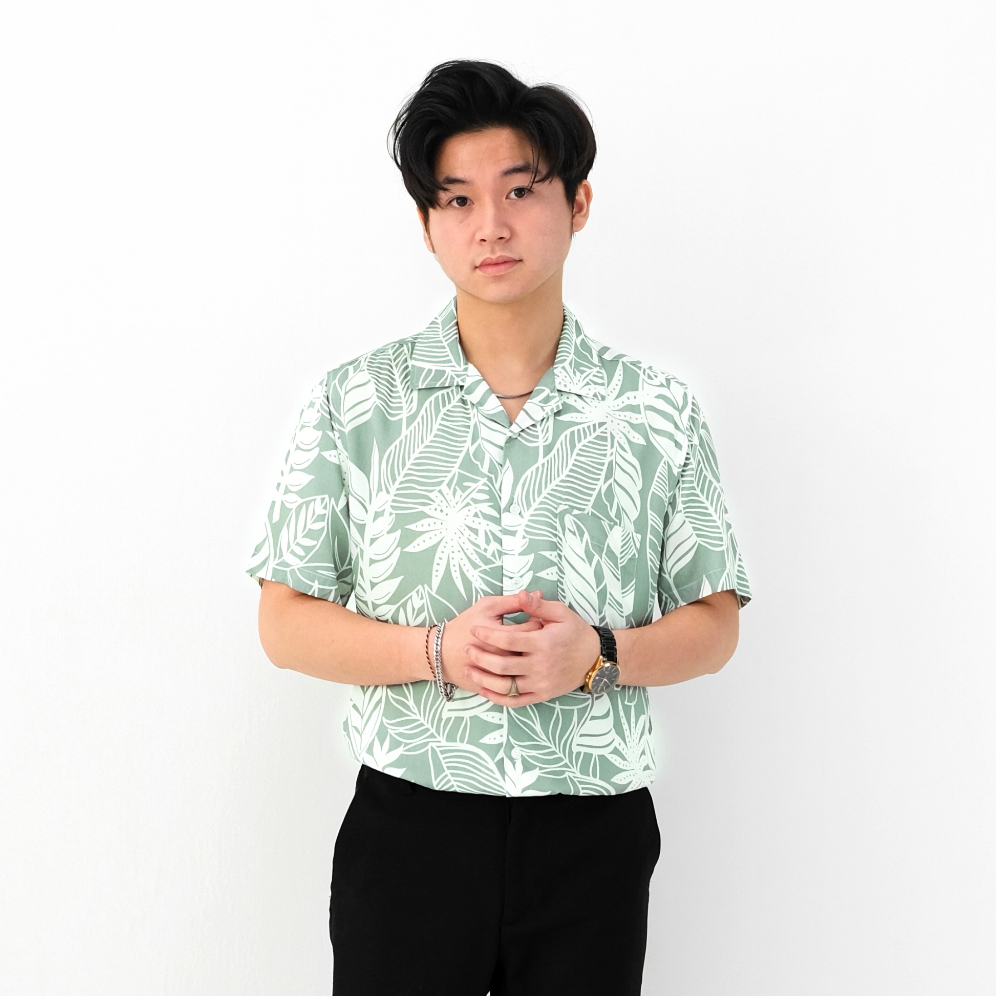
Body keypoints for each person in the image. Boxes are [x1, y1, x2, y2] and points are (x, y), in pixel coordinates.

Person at [246, 59, 752, 996]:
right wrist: (435, 650)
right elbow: (284, 622)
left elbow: (715, 625)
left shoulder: (657, 410)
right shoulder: (356, 402)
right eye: (458, 199)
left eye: (520, 190)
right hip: (412, 824)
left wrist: (597, 654)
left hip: (591, 832)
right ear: (427, 223)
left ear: (578, 203)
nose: (491, 225)